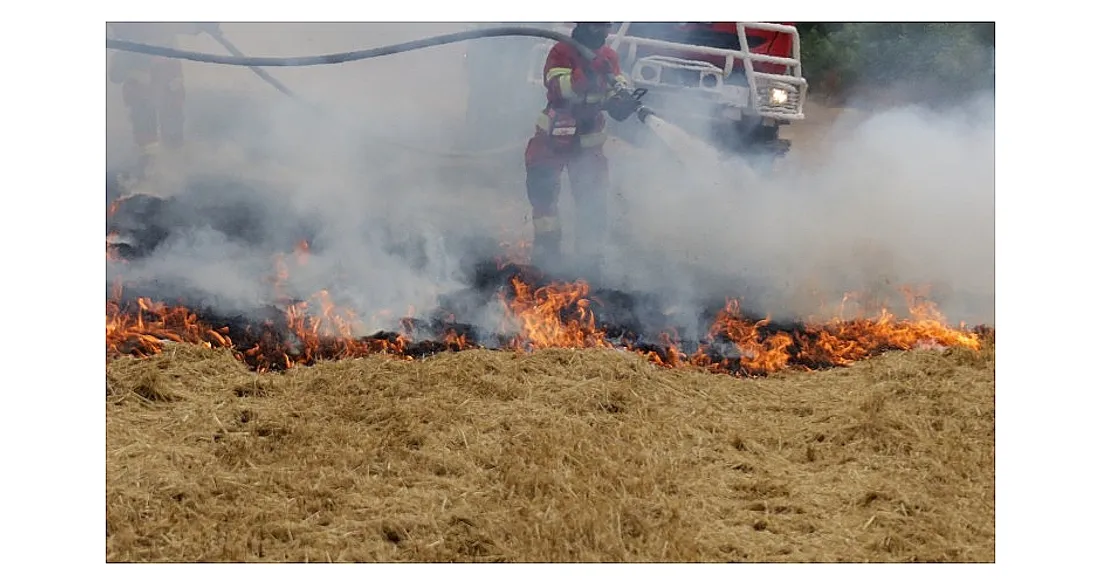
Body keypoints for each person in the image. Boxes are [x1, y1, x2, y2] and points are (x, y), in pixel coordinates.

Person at [523, 22, 642, 278]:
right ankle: (547, 256)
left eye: (605, 26)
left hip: (588, 147)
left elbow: (614, 89)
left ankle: (589, 264)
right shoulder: (562, 51)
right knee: (543, 196)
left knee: (593, 202)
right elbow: (558, 90)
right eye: (597, 25)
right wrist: (586, 73)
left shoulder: (609, 57)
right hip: (553, 141)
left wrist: (622, 102)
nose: (602, 32)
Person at [107, 22, 220, 192]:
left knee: (171, 113)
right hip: (135, 60)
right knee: (142, 113)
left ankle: (174, 163)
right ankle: (148, 164)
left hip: (165, 62)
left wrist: (201, 24)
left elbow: (177, 24)